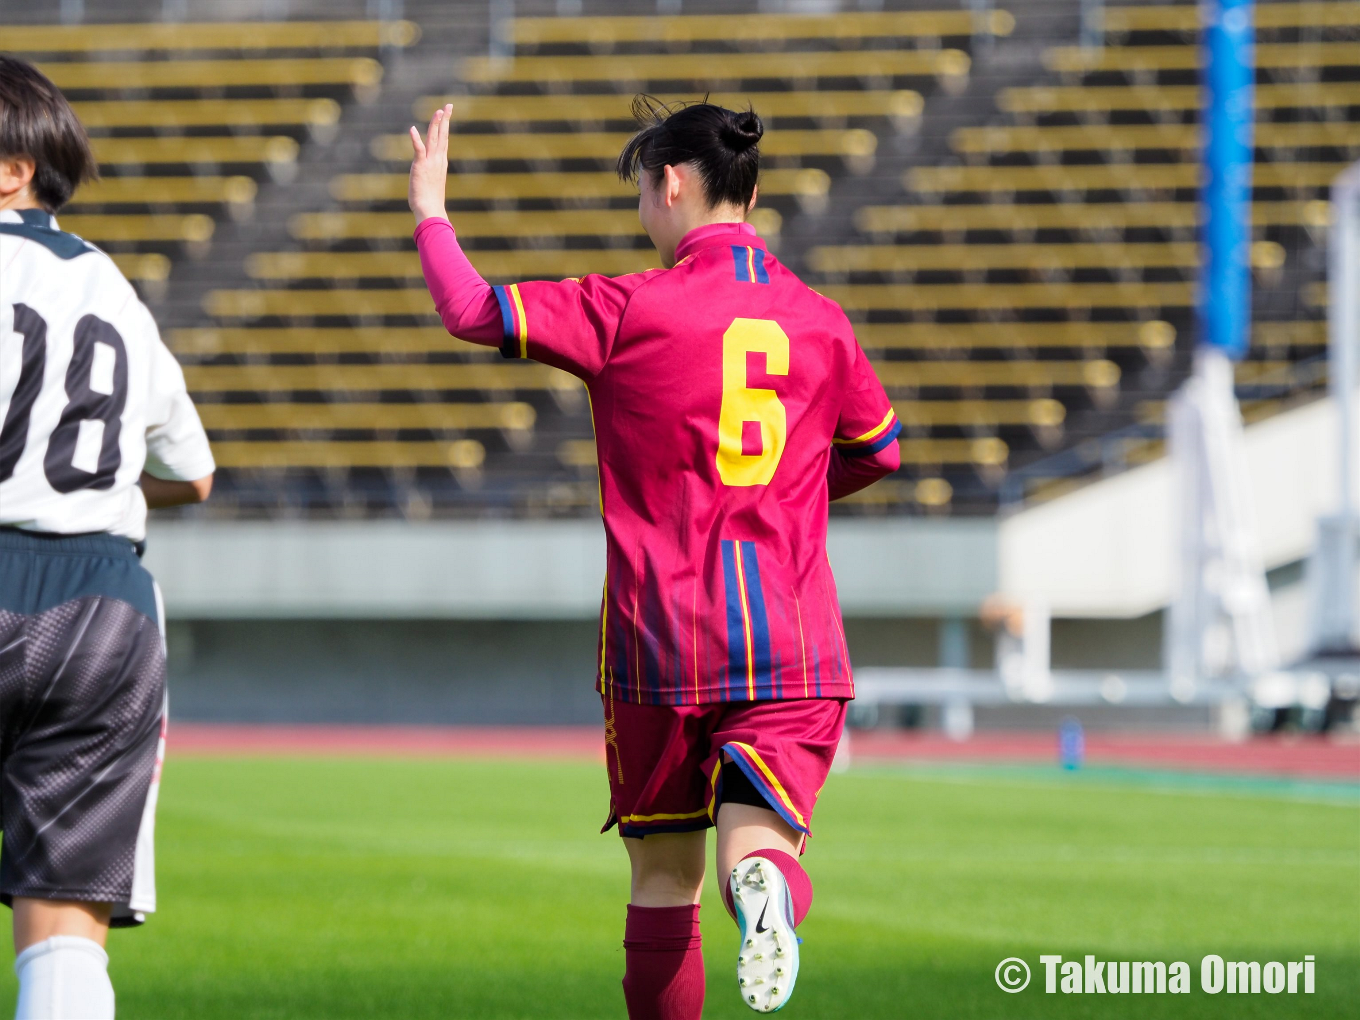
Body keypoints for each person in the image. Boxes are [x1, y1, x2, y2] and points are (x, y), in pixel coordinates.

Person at [409, 96, 900, 1018]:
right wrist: (784, 492)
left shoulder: (628, 305)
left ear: (672, 182)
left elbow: (470, 309)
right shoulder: (819, 319)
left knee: (664, 882)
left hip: (656, 644)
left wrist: (432, 209)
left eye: (642, 190)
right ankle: (765, 895)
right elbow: (881, 449)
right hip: (788, 640)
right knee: (761, 848)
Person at [0, 56, 215, 1019]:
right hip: (105, 606)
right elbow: (194, 475)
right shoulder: (116, 289)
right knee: (64, 934)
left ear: (13, 168)